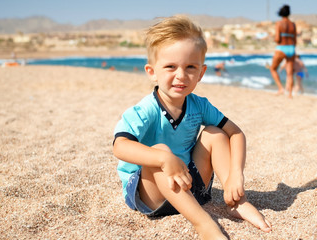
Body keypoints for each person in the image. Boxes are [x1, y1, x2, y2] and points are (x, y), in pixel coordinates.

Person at [112, 15, 271, 240]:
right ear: (152, 72)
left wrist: (236, 175)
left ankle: (236, 202)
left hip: (190, 187)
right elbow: (120, 146)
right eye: (170, 67)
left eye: (190, 67)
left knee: (215, 134)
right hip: (151, 193)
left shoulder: (199, 105)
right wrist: (164, 159)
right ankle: (203, 223)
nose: (181, 75)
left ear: (201, 73)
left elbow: (236, 133)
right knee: (160, 150)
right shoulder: (146, 109)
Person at [269, 4, 297, 98]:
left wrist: (273, 38)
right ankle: (290, 94)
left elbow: (277, 39)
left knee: (273, 68)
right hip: (292, 48)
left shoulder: (279, 23)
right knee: (289, 73)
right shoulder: (293, 24)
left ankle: (281, 88)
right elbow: (295, 40)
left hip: (282, 48)